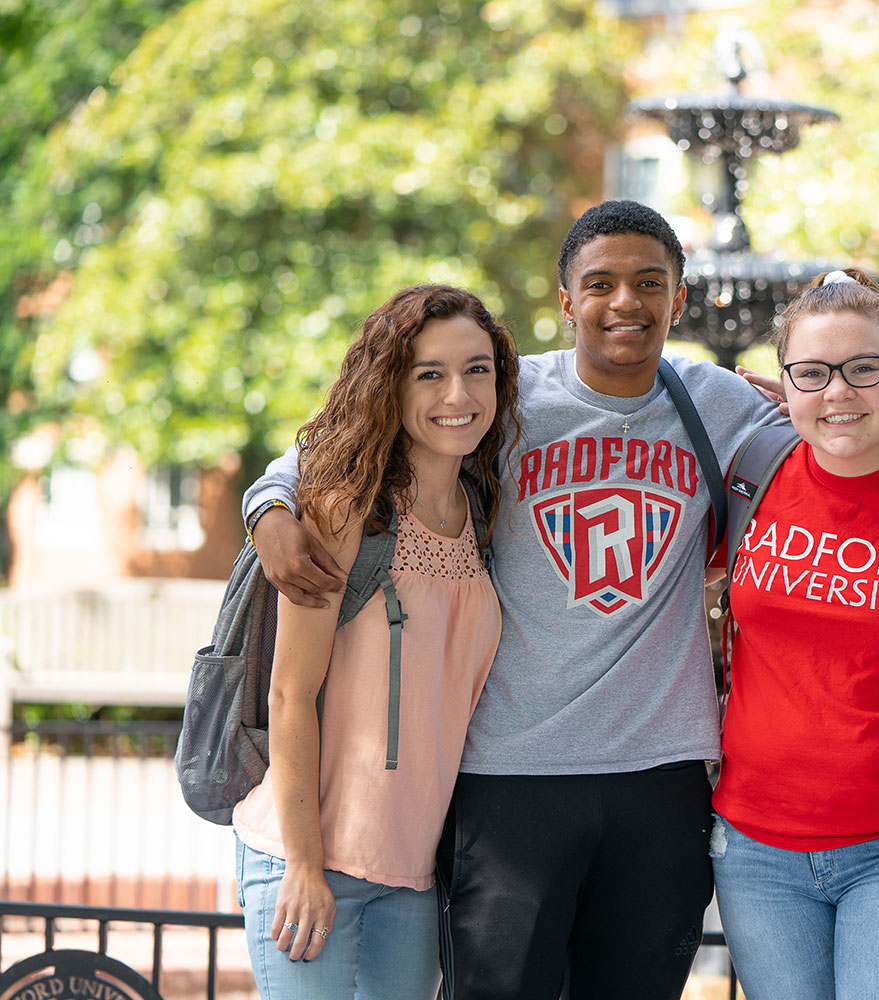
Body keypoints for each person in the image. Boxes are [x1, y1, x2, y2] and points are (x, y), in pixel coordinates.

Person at [242, 200, 783, 1000]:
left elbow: (853, 431)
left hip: (661, 775)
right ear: (566, 301)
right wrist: (269, 507)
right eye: (599, 283)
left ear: (678, 295)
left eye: (649, 283)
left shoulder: (720, 404)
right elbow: (344, 438)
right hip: (510, 776)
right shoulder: (502, 390)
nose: (625, 302)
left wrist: (807, 390)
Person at [233, 284, 521, 999]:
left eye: (477, 369)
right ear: (390, 386)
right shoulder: (345, 509)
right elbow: (290, 693)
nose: (459, 393)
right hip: (306, 860)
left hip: (413, 878)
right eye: (430, 374)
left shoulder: (485, 507)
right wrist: (303, 864)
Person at [710, 268, 879, 1000]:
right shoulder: (753, 473)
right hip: (755, 848)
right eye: (812, 373)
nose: (837, 392)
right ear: (784, 384)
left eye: (863, 369)